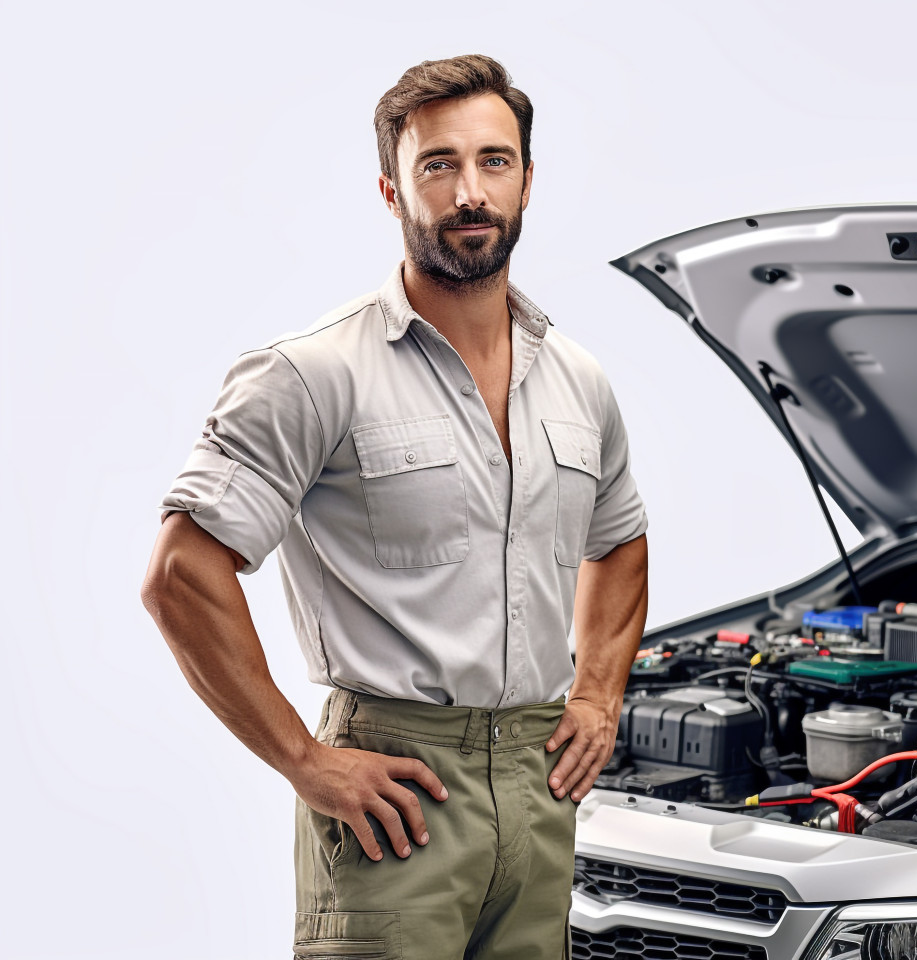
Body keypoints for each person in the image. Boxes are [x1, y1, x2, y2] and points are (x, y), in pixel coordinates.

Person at [142, 54, 649, 960]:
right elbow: (181, 574)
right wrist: (307, 761)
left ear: (528, 180)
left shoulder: (578, 380)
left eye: (494, 161)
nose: (470, 192)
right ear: (391, 190)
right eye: (438, 165)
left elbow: (621, 541)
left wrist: (600, 695)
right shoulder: (311, 374)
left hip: (538, 791)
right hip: (399, 792)